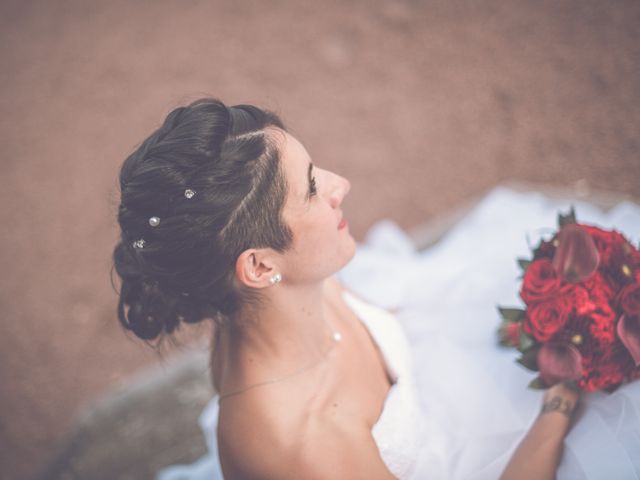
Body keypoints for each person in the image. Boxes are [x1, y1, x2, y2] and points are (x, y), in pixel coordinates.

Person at [114, 98, 638, 480]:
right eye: (314, 189)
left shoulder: (275, 292)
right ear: (258, 265)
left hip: (439, 391)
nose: (341, 185)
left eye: (315, 168)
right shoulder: (305, 447)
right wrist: (564, 391)